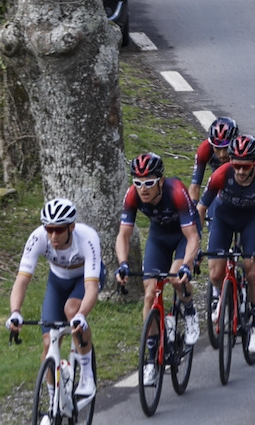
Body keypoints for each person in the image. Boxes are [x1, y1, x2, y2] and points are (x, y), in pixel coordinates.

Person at [116, 153, 202, 384]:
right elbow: (123, 235)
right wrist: (123, 264)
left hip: (185, 234)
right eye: (138, 182)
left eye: (149, 183)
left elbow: (192, 237)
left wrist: (186, 265)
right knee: (149, 292)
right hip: (159, 237)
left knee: (176, 278)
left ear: (161, 182)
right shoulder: (132, 196)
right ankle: (152, 359)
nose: (143, 189)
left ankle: (190, 311)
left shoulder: (175, 191)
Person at [7, 199, 104, 404]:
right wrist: (15, 311)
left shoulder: (88, 238)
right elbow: (22, 281)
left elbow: (92, 288)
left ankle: (87, 375)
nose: (53, 236)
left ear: (71, 227)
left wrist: (81, 315)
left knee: (72, 310)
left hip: (84, 279)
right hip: (57, 281)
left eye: (58, 230)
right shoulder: (37, 238)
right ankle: (54, 402)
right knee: (48, 343)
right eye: (49, 229)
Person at [197, 135, 255, 353]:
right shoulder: (221, 175)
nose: (240, 171)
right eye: (237, 166)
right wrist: (196, 242)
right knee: (214, 274)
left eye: (245, 167)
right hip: (224, 218)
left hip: (250, 221)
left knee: (252, 272)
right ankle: (224, 298)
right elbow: (202, 208)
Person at [189, 115, 238, 203]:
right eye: (217, 149)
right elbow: (195, 186)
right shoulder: (205, 149)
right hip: (218, 182)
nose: (222, 154)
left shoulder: (241, 152)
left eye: (226, 148)